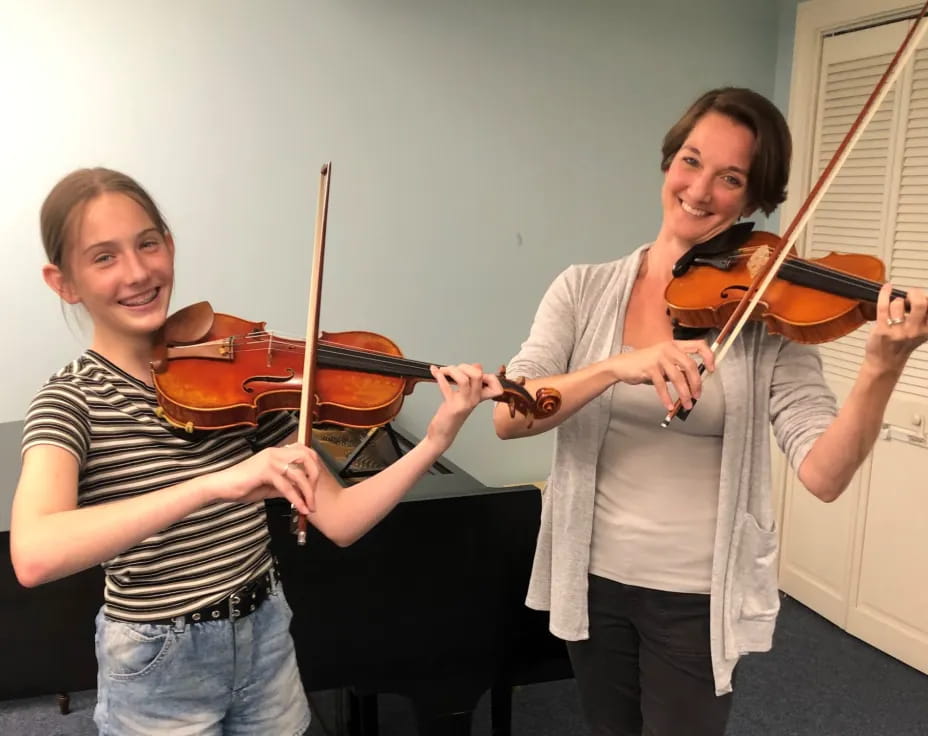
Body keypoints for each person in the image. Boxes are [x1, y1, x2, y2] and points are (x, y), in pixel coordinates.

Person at [493, 87, 928, 736]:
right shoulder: (582, 288)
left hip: (694, 595)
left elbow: (824, 475)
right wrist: (616, 366)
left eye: (731, 179)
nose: (699, 190)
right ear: (669, 162)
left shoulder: (770, 315)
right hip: (591, 577)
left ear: (753, 202)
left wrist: (882, 365)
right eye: (691, 161)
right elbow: (509, 416)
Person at [10, 167, 505, 735]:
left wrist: (437, 440)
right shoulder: (72, 399)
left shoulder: (234, 373)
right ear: (63, 281)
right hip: (157, 665)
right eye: (104, 257)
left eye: (148, 243)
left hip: (264, 633)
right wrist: (216, 483)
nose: (138, 271)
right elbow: (35, 553)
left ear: (168, 244)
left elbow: (340, 520)